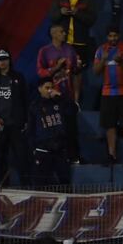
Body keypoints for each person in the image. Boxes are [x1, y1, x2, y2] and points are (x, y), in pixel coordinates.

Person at [0, 49, 30, 186]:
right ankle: (3, 186)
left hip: (16, 124)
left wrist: (25, 120)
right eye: (0, 59)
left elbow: (25, 99)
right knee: (1, 157)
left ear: (9, 60)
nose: (2, 62)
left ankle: (26, 185)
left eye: (4, 59)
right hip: (0, 125)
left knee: (21, 156)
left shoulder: (18, 78)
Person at [36, 23, 80, 163]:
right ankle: (57, 157)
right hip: (51, 98)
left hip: (67, 95)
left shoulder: (70, 50)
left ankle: (74, 157)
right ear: (53, 34)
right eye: (61, 31)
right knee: (56, 129)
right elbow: (40, 73)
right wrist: (56, 67)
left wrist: (76, 97)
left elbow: (76, 73)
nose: (64, 34)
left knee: (71, 128)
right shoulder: (45, 51)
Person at [49, 0, 97, 103]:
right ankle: (62, 99)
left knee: (77, 72)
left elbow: (92, 19)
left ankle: (75, 101)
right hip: (63, 42)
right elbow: (52, 16)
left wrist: (78, 14)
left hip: (79, 42)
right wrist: (60, 12)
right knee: (61, 71)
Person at [93, 28, 123, 166]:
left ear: (119, 36)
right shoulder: (101, 50)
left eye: (115, 35)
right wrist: (103, 60)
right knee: (110, 125)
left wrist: (121, 61)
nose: (113, 38)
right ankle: (112, 155)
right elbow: (96, 71)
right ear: (107, 36)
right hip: (108, 93)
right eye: (110, 36)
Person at [29, 77, 74, 186]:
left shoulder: (59, 102)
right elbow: (31, 130)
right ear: (40, 89)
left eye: (51, 87)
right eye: (47, 88)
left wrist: (61, 96)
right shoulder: (34, 106)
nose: (50, 90)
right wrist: (33, 149)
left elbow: (73, 110)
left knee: (65, 183)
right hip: (43, 151)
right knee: (41, 184)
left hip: (60, 150)